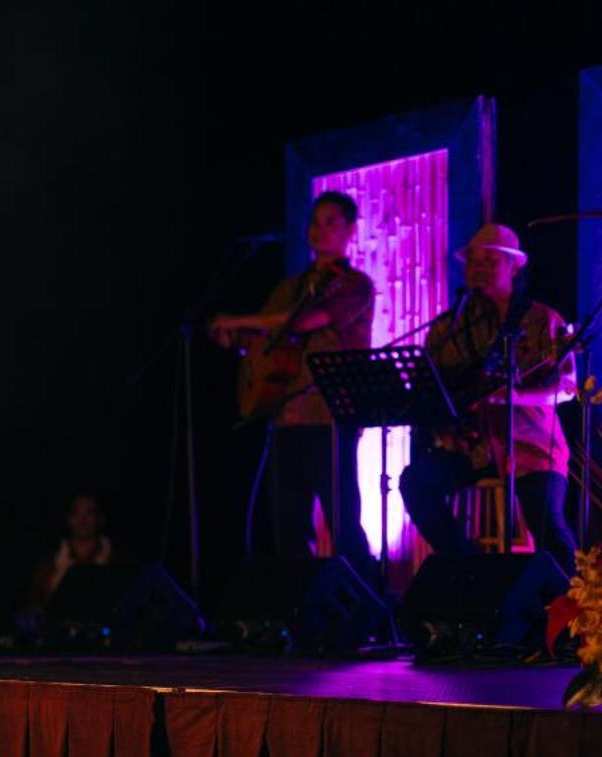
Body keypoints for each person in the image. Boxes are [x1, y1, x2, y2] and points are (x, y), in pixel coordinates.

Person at [209, 190, 378, 584]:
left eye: (330, 222)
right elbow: (265, 336)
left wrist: (237, 322)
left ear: (351, 231)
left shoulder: (354, 285)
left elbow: (301, 322)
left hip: (331, 414)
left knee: (342, 521)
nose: (319, 230)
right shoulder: (290, 287)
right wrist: (233, 338)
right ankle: (303, 609)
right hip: (286, 415)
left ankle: (374, 607)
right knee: (288, 522)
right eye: (315, 222)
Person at [400, 223, 579, 567]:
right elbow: (429, 388)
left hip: (532, 445)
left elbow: (566, 388)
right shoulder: (447, 327)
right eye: (473, 262)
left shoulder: (542, 319)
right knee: (417, 482)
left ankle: (573, 603)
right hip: (473, 448)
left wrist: (509, 398)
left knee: (547, 523)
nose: (478, 268)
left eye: (489, 260)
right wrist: (443, 422)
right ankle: (470, 568)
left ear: (514, 267)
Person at [28, 493, 114, 608]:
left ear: (100, 519)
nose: (82, 519)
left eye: (89, 512)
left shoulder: (115, 561)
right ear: (68, 519)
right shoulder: (49, 562)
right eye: (75, 512)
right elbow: (36, 606)